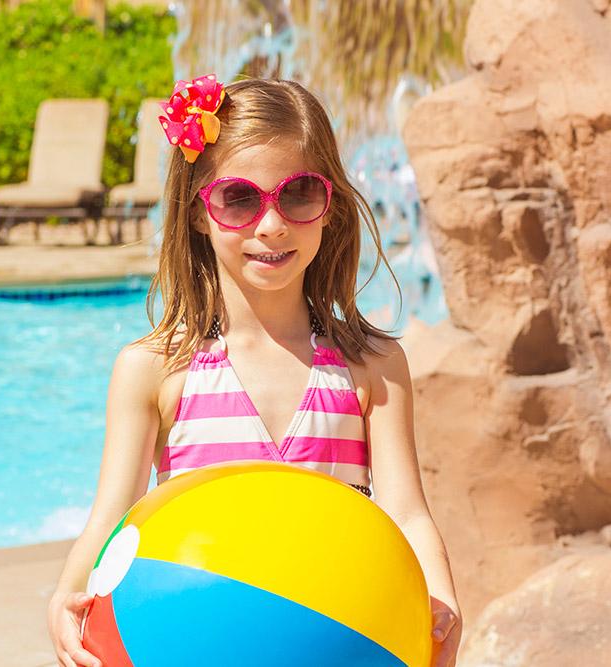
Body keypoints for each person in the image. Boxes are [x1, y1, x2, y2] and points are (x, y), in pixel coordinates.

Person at [47, 75, 462, 667]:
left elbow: (406, 513)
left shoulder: (371, 365)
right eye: (238, 199)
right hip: (200, 644)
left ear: (330, 206)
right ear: (197, 213)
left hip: (336, 641)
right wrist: (67, 597)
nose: (271, 224)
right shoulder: (156, 370)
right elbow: (111, 519)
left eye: (298, 194)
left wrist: (440, 602)